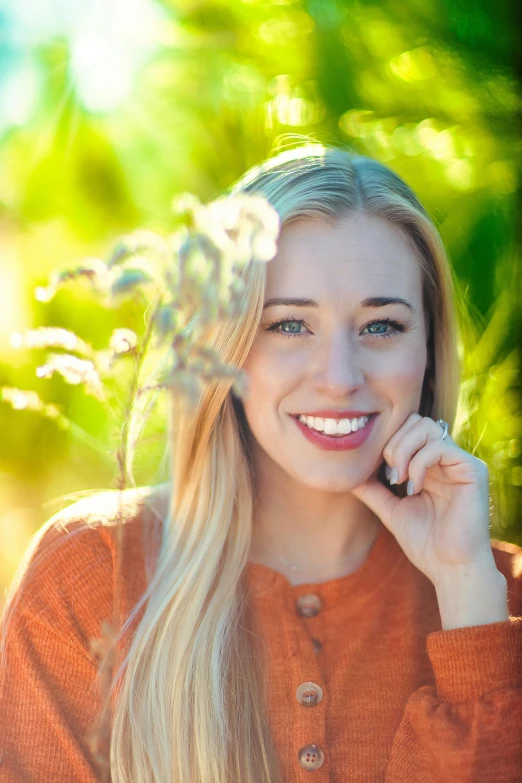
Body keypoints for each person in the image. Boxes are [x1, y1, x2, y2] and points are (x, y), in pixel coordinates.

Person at [1, 143, 521, 783]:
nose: (339, 378)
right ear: (228, 347)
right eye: (289, 325)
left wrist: (469, 597)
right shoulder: (89, 577)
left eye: (381, 326)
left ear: (430, 350)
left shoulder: (501, 600)